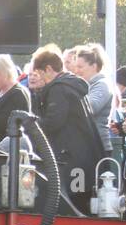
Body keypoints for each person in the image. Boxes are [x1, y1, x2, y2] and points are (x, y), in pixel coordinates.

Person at [31, 44, 102, 212]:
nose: (39, 78)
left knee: (71, 206)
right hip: (83, 157)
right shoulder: (71, 85)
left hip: (69, 159)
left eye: (40, 73)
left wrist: (31, 123)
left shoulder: (58, 89)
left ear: (48, 69)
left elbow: (53, 123)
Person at [72, 44, 114, 155]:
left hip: (98, 147)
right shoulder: (85, 85)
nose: (76, 71)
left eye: (80, 67)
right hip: (86, 145)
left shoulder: (102, 85)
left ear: (94, 66)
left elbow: (91, 107)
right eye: (75, 67)